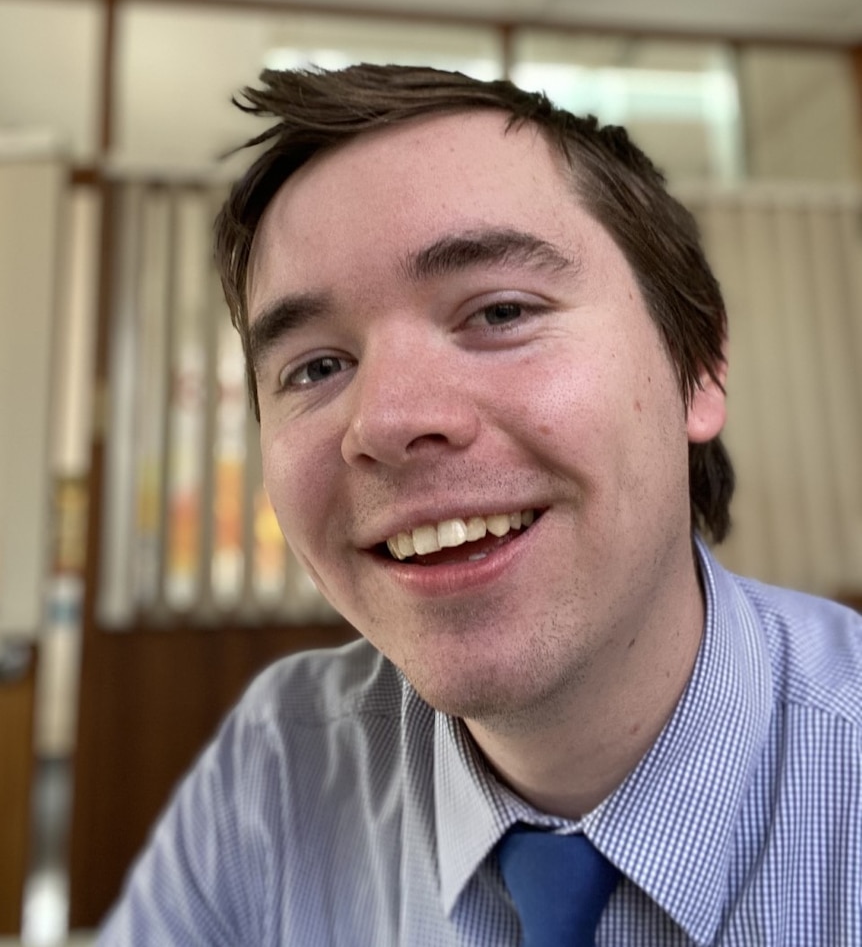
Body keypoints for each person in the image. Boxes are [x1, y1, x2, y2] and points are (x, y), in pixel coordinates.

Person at [99, 65, 862, 946]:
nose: (386, 422)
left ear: (697, 365)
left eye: (500, 311)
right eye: (314, 367)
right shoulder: (280, 766)